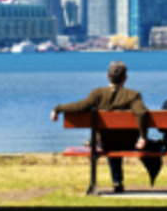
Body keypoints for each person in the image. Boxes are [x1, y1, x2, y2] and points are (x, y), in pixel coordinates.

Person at [50, 60, 150, 193]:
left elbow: (80, 107)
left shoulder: (97, 94)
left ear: (107, 76)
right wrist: (143, 137)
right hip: (128, 142)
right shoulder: (133, 95)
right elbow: (141, 113)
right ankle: (120, 181)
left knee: (109, 142)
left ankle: (115, 181)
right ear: (125, 78)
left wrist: (58, 109)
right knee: (119, 141)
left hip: (105, 142)